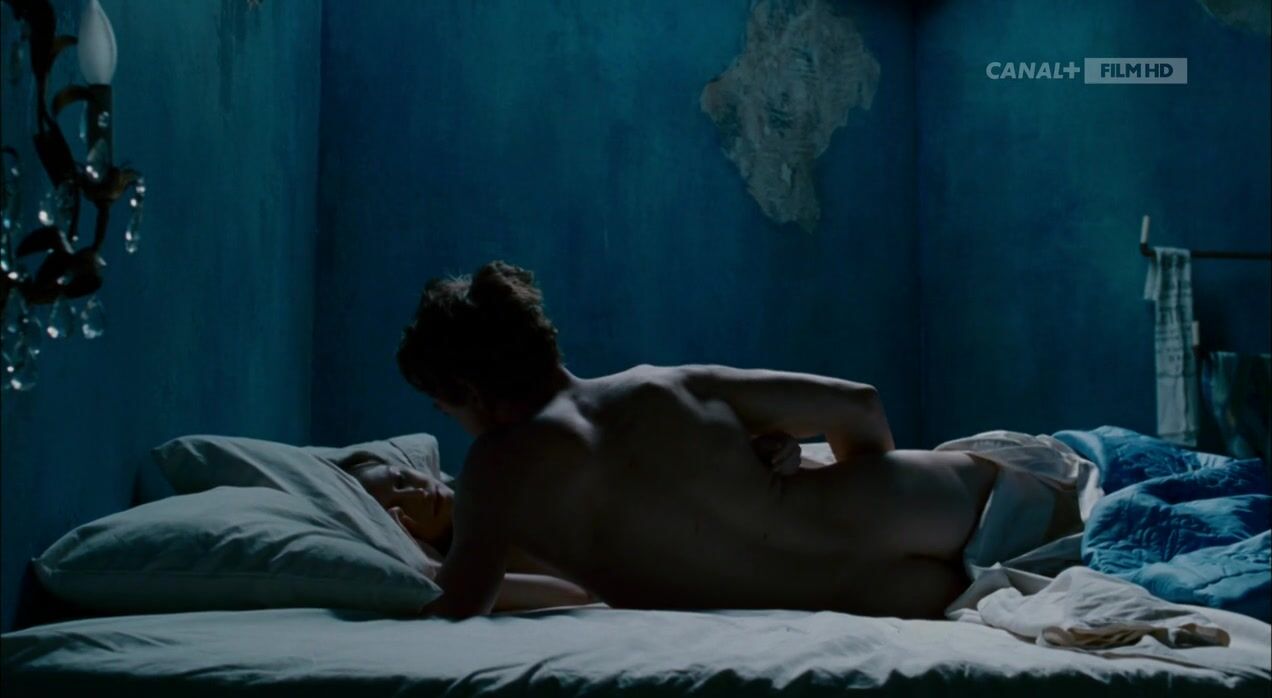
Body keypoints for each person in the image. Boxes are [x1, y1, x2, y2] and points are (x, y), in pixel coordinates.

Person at [395, 261, 1005, 619]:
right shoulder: (659, 388)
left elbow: (457, 605)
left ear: (468, 390)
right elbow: (858, 404)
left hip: (893, 597)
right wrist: (838, 488)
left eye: (446, 409)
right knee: (1058, 488)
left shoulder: (495, 472)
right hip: (931, 501)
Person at [336, 453, 598, 612]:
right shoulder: (478, 547)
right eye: (398, 507)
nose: (417, 494)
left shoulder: (494, 484)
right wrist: (430, 567)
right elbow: (574, 593)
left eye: (402, 480)